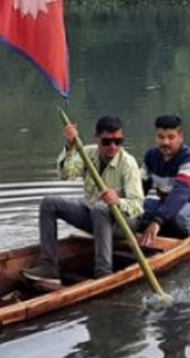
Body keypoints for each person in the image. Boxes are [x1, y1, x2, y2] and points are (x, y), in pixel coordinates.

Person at [23, 116, 146, 283]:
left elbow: (138, 206)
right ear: (97, 138)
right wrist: (70, 147)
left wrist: (118, 201)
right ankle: (49, 266)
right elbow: (66, 175)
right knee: (49, 203)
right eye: (107, 142)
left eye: (118, 141)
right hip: (93, 216)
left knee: (101, 209)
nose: (113, 147)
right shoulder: (87, 153)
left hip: (122, 222)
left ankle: (103, 272)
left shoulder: (128, 163)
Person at [138, 115, 190, 247]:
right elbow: (140, 188)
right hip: (166, 206)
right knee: (141, 208)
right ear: (155, 137)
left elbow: (180, 194)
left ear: (180, 137)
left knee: (179, 215)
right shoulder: (151, 156)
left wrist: (157, 221)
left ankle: (186, 244)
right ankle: (150, 236)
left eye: (171, 137)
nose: (165, 142)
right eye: (161, 137)